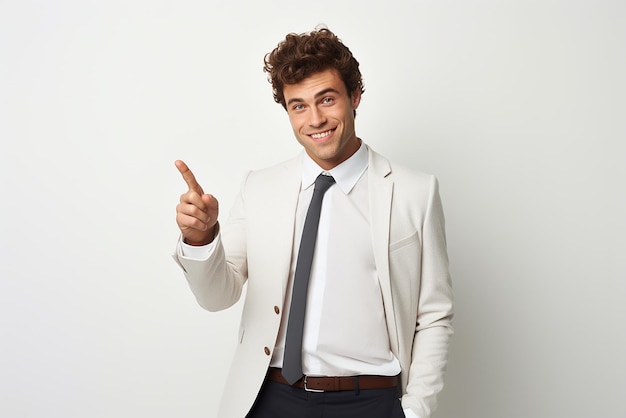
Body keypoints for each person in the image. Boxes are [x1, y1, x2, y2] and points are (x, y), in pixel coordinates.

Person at [172, 26, 453, 418]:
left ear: (354, 97)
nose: (315, 118)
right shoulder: (259, 187)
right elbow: (218, 295)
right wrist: (201, 238)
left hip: (369, 401)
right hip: (270, 397)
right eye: (298, 105)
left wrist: (416, 410)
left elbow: (434, 315)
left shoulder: (414, 192)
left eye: (327, 99)